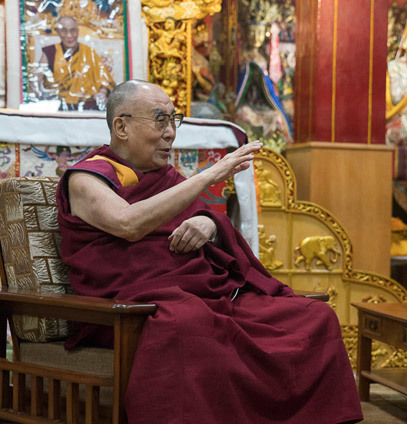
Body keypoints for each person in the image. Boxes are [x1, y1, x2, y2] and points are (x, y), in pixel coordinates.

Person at [56, 80, 363, 424]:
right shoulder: (85, 178)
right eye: (160, 120)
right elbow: (129, 224)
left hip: (202, 294)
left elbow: (200, 217)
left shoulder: (167, 178)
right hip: (131, 307)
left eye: (174, 120)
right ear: (121, 126)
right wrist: (211, 174)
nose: (171, 133)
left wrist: (210, 224)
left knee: (314, 317)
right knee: (189, 325)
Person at [37, 16, 116, 111]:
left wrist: (102, 93)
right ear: (58, 32)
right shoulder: (49, 52)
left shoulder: (89, 53)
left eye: (73, 30)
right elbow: (36, 80)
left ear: (78, 31)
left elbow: (105, 82)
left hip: (87, 106)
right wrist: (42, 96)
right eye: (64, 31)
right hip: (58, 107)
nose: (69, 35)